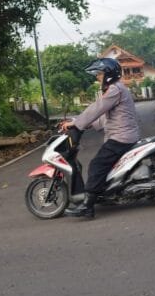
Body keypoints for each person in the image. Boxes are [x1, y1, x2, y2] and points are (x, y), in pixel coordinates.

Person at [60, 58, 140, 218]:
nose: (97, 77)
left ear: (108, 75)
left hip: (121, 137)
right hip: (122, 135)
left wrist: (76, 124)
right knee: (102, 164)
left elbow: (96, 109)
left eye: (100, 74)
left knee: (96, 165)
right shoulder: (117, 89)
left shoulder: (115, 90)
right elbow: (104, 116)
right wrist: (81, 123)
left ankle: (87, 207)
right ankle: (104, 191)